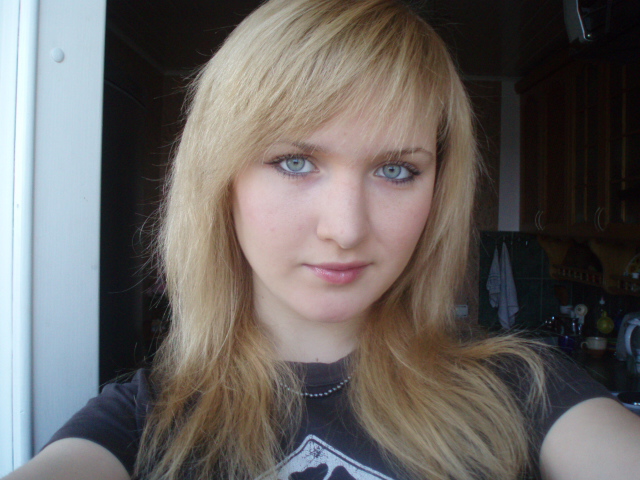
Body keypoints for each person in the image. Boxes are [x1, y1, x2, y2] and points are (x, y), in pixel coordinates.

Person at [5, 0, 640, 479]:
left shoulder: (524, 390)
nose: (346, 228)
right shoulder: (140, 425)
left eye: (397, 171)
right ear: (222, 182)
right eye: (295, 162)